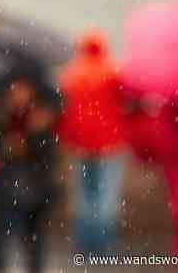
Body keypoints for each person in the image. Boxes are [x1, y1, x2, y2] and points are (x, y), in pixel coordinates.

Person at [0, 68, 60, 273]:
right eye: (16, 88)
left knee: (33, 238)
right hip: (0, 186)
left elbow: (48, 154)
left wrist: (34, 138)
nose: (20, 94)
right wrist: (6, 149)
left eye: (24, 89)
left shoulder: (40, 116)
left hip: (33, 185)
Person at [56, 29, 127, 256]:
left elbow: (62, 110)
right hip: (109, 143)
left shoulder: (70, 74)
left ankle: (83, 241)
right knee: (106, 194)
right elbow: (127, 101)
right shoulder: (112, 72)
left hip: (80, 144)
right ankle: (103, 243)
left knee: (83, 194)